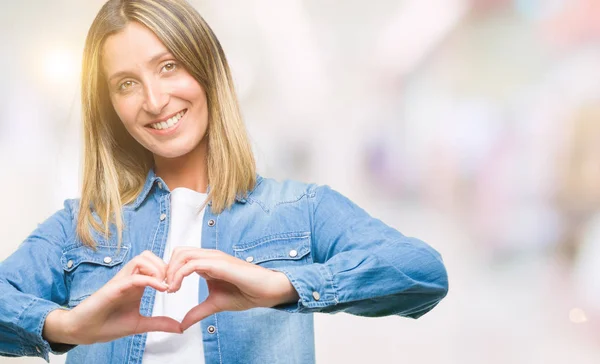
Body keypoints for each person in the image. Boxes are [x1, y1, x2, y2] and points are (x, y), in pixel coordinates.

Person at [0, 0, 449, 363]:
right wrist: (64, 326)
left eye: (169, 65)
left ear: (208, 68)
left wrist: (283, 285)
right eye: (125, 84)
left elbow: (422, 274)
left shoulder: (298, 209)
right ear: (110, 107)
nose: (155, 100)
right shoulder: (80, 228)